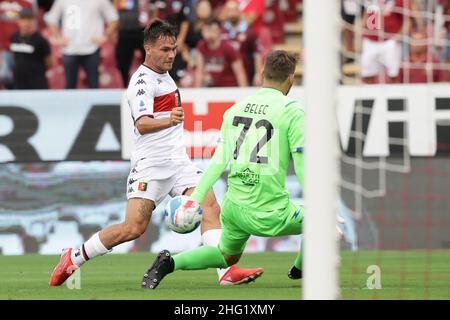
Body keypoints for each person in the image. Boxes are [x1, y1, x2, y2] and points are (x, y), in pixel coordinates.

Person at [49, 19, 262, 287]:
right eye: (164, 49)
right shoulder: (142, 82)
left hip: (178, 163)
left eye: (173, 48)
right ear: (148, 49)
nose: (171, 54)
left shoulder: (164, 74)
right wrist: (169, 120)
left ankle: (225, 272)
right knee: (133, 229)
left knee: (210, 206)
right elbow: (143, 123)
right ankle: (74, 257)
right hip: (151, 165)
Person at [140, 50, 305, 289]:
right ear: (291, 78)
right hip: (269, 209)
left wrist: (195, 199)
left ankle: (169, 263)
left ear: (261, 74)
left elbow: (218, 162)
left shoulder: (234, 110)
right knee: (322, 223)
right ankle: (299, 269)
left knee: (226, 256)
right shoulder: (292, 111)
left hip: (235, 208)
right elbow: (301, 163)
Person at [45, 0, 119, 89]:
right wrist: (58, 37)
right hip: (69, 49)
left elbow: (113, 18)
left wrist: (105, 36)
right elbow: (51, 19)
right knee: (69, 86)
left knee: (93, 85)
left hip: (91, 48)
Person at [195, 18, 248, 87]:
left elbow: (240, 72)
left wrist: (243, 93)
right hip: (214, 88)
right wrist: (197, 92)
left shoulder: (228, 47)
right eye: (206, 30)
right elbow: (199, 71)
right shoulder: (201, 46)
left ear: (219, 31)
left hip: (230, 88)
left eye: (212, 30)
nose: (209, 33)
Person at [10, 8, 53, 89]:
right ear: (18, 21)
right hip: (19, 83)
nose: (26, 23)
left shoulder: (40, 40)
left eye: (29, 19)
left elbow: (50, 62)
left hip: (37, 83)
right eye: (23, 19)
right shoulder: (14, 37)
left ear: (33, 21)